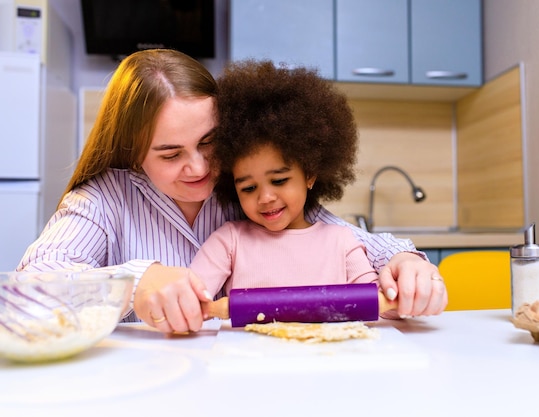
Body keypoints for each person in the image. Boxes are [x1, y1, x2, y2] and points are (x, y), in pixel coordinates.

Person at [17, 49, 447, 334]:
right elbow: (31, 286)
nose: (200, 168)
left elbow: (348, 240)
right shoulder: (103, 199)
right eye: (170, 154)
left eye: (209, 143)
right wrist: (134, 280)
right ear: (133, 155)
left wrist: (405, 261)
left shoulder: (242, 188)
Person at [190, 60, 379, 304]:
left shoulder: (341, 242)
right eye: (248, 188)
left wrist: (410, 291)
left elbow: (380, 304)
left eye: (279, 180)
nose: (265, 197)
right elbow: (191, 298)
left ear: (310, 174)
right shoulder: (229, 242)